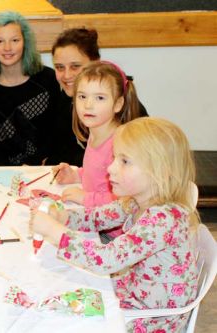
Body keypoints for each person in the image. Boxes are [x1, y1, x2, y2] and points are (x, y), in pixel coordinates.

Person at [31, 117, 199, 333]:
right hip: (135, 290)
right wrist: (63, 217)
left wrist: (54, 231)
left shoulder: (163, 219)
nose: (110, 168)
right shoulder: (137, 199)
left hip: (154, 319)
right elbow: (97, 218)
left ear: (160, 172)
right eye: (114, 158)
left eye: (125, 161)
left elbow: (107, 259)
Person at [49, 28, 148, 166]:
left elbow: (142, 159)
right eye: (59, 67)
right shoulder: (64, 99)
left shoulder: (126, 106)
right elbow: (61, 149)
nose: (66, 75)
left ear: (96, 63)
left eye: (75, 66)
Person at [54, 61, 142, 209]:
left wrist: (86, 198)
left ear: (118, 104)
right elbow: (97, 177)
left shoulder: (119, 146)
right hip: (94, 217)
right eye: (82, 96)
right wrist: (75, 175)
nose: (88, 105)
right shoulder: (96, 131)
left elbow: (125, 199)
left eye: (100, 98)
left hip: (112, 230)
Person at [0, 11, 61, 166]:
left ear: (25, 42)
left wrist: (36, 164)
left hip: (43, 170)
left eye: (15, 40)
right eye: (0, 41)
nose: (7, 48)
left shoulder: (48, 79)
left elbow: (56, 131)